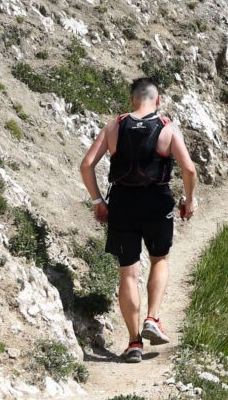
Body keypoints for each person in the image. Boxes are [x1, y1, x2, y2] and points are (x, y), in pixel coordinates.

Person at [78, 77, 197, 363]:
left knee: (128, 273)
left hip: (122, 204)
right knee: (159, 259)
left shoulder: (114, 126)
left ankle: (133, 343)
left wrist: (98, 201)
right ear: (157, 100)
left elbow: (86, 165)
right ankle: (153, 319)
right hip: (156, 203)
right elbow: (189, 169)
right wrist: (189, 200)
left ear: (132, 100)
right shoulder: (167, 128)